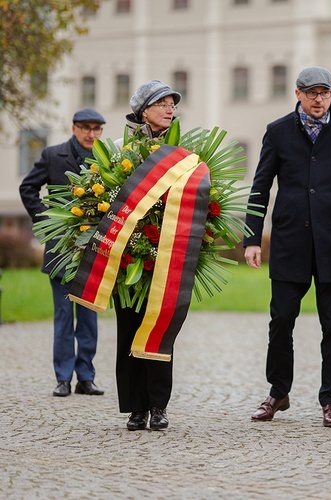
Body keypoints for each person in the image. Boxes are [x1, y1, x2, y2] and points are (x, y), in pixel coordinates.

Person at [245, 66, 331, 428]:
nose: (318, 99)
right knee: (281, 320)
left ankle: (330, 399)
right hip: (289, 242)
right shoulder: (277, 131)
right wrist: (252, 238)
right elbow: (260, 186)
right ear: (297, 94)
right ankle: (278, 392)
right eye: (311, 93)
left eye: (325, 93)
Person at [19, 108, 105, 398]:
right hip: (61, 249)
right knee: (64, 316)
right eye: (86, 128)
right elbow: (28, 187)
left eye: (97, 129)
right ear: (74, 128)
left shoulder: (107, 161)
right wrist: (48, 219)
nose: (92, 134)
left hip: (94, 250)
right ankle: (63, 378)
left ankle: (86, 377)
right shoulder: (53, 155)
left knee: (90, 318)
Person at [115, 80, 182, 431]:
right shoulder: (119, 149)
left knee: (161, 330)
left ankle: (158, 406)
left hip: (168, 255)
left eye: (173, 104)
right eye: (163, 103)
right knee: (128, 329)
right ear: (143, 110)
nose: (170, 109)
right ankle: (135, 408)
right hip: (128, 257)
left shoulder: (183, 150)